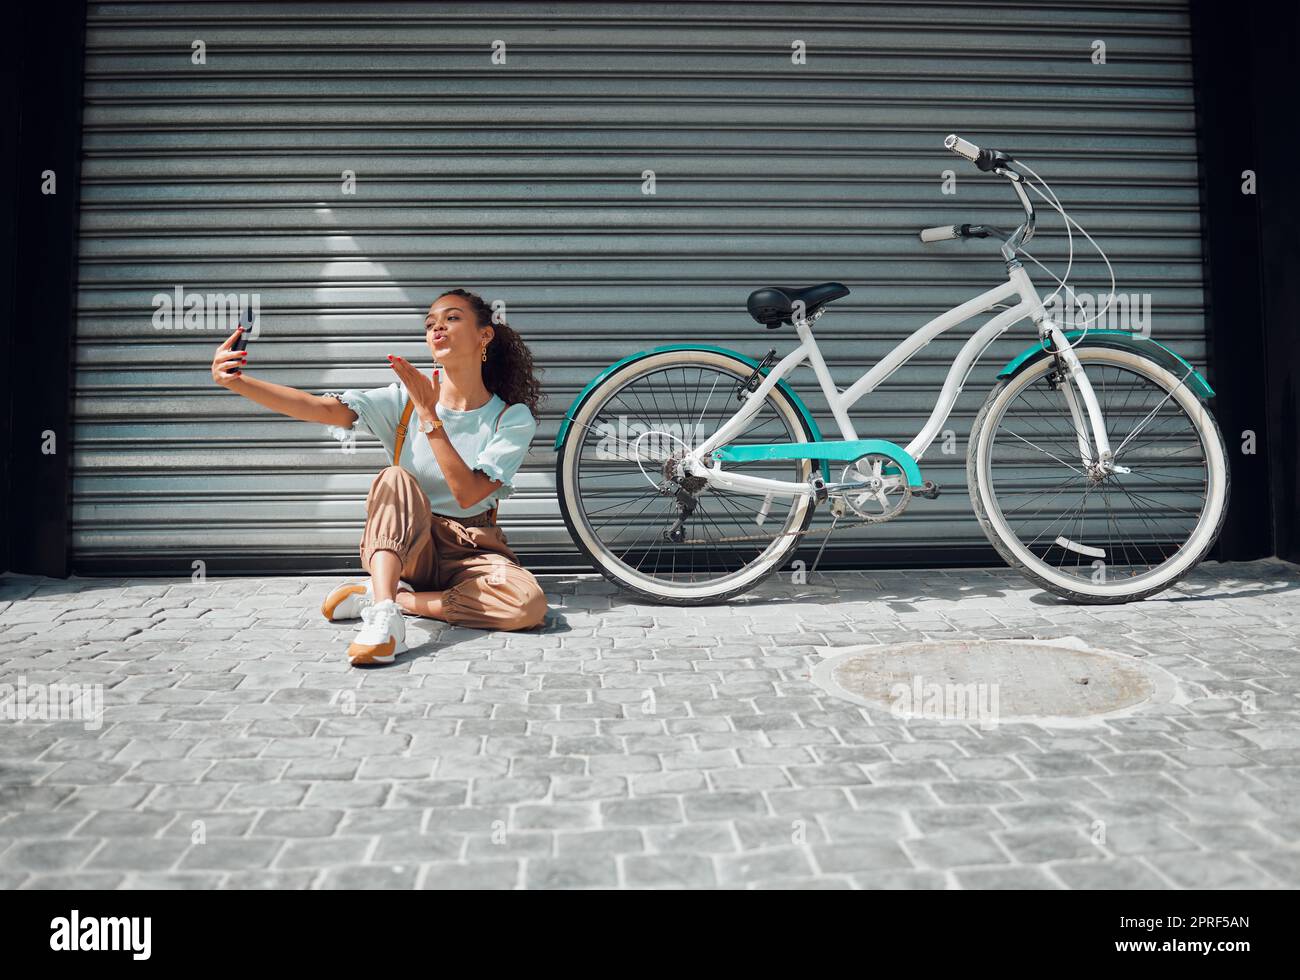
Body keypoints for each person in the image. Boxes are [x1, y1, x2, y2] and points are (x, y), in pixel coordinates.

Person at [210, 288, 547, 665]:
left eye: (451, 319)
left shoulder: (510, 418)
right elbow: (321, 409)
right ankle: (385, 615)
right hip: (409, 547)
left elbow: (468, 494)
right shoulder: (403, 400)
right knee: (395, 478)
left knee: (526, 605)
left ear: (485, 336)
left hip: (471, 550)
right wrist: (238, 382)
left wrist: (431, 418)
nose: (437, 329)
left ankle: (396, 597)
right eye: (430, 323)